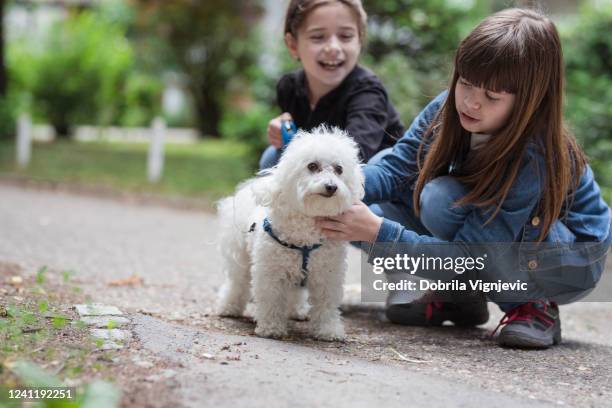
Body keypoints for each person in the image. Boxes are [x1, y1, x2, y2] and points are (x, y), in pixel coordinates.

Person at [316, 8, 612, 349]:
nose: (471, 102)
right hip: (491, 236)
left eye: (492, 96)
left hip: (566, 258)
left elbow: (475, 252)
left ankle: (530, 303)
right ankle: (462, 292)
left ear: (530, 101)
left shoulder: (534, 153)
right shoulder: (448, 109)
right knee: (397, 191)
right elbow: (396, 169)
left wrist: (378, 235)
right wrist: (337, 187)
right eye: (466, 83)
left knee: (433, 209)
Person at [259, 0, 404, 170]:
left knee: (375, 163)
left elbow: (355, 156)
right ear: (293, 45)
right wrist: (285, 131)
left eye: (345, 36)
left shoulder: (368, 92)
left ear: (360, 40)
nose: (333, 47)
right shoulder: (289, 87)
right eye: (318, 37)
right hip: (323, 177)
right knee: (273, 156)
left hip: (378, 182)